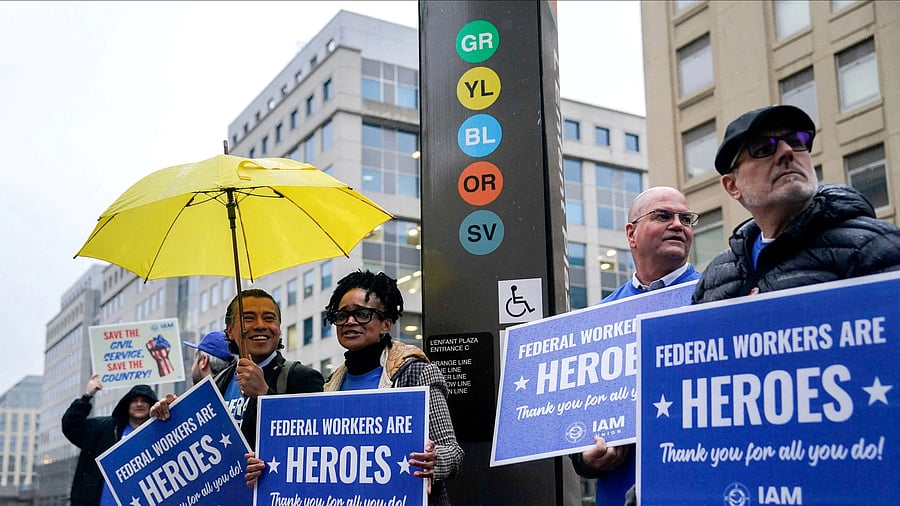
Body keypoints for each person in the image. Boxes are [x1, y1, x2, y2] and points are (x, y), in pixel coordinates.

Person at [245, 270, 464, 505]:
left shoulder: (417, 373)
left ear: (386, 324)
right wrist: (267, 465)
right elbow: (313, 458)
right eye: (342, 315)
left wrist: (433, 461)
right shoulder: (330, 385)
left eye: (362, 314)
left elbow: (453, 451)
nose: (350, 321)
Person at [570, 186, 701, 506]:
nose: (678, 224)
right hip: (617, 492)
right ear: (632, 234)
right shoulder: (598, 319)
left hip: (695, 486)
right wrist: (586, 459)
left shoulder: (715, 297)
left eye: (685, 218)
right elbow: (575, 418)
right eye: (663, 216)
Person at [693, 104, 900, 303]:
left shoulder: (876, 247)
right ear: (732, 186)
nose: (787, 151)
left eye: (797, 141)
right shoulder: (714, 278)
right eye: (763, 147)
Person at [152, 288, 324, 449]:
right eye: (248, 318)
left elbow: (313, 442)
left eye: (269, 318)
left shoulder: (303, 379)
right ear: (229, 331)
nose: (260, 325)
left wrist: (264, 394)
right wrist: (171, 415)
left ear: (278, 329)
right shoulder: (217, 383)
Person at [61, 375, 157, 506]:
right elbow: (71, 425)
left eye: (144, 401)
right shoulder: (105, 429)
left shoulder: (161, 433)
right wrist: (87, 396)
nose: (139, 404)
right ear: (127, 405)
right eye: (134, 400)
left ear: (151, 405)